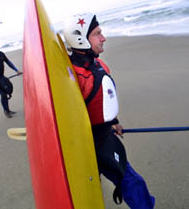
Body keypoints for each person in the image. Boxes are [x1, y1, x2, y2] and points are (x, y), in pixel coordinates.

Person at [63, 13, 155, 209]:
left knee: (130, 182)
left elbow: (103, 98)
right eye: (97, 33)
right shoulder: (72, 77)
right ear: (80, 39)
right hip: (88, 146)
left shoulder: (98, 64)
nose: (103, 37)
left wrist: (113, 121)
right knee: (128, 183)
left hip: (105, 135)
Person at [0, 37, 22, 118]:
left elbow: (8, 62)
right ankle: (6, 111)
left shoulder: (1, 54)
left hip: (1, 77)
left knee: (7, 91)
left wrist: (16, 70)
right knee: (3, 94)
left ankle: (8, 110)